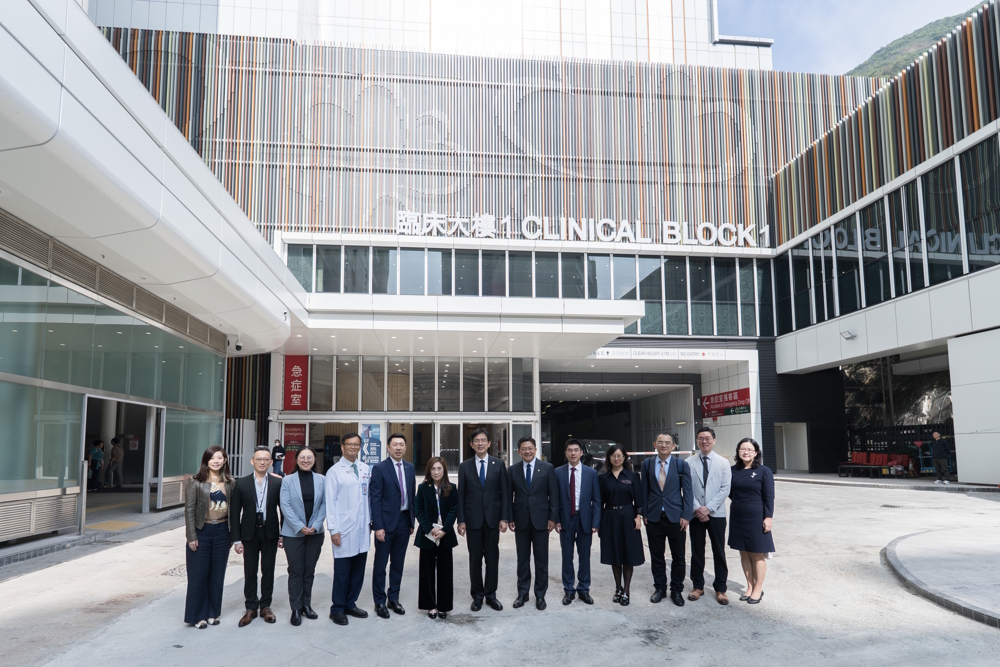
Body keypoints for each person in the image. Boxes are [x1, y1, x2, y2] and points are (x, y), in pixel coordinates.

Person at [456, 427, 510, 611]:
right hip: (472, 521)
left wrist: (504, 518)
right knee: (475, 559)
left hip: (493, 520)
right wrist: (461, 521)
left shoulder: (498, 464)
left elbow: (505, 494)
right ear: (471, 444)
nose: (480, 443)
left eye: (483, 440)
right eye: (476, 441)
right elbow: (461, 496)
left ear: (489, 443)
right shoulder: (465, 466)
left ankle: (491, 595)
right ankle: (477, 596)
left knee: (492, 558)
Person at [230, 446, 283, 627]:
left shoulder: (277, 483)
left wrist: (283, 534)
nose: (262, 462)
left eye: (266, 459)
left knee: (268, 570)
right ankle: (251, 606)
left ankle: (266, 606)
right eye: (259, 459)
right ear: (252, 461)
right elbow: (234, 512)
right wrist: (236, 539)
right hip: (249, 533)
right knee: (250, 570)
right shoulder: (241, 483)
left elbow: (283, 510)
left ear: (270, 462)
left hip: (270, 533)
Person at [183, 446, 235, 628]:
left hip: (222, 531)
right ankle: (198, 616)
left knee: (217, 575)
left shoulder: (230, 482)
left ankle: (213, 612)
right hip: (201, 530)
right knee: (198, 575)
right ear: (206, 461)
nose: (216, 461)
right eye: (212, 458)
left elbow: (234, 511)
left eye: (219, 458)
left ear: (225, 460)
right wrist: (191, 536)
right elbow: (189, 510)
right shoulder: (196, 482)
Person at [639, 432, 693, 607]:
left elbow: (688, 492)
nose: (664, 445)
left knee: (678, 556)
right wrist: (644, 513)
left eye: (667, 442)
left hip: (676, 518)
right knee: (656, 556)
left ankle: (676, 590)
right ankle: (660, 589)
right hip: (654, 518)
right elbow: (644, 491)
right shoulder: (647, 464)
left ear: (673, 446)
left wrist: (686, 515)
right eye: (660, 442)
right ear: (654, 444)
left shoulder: (680, 465)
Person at [325, 432, 372, 626]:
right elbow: (330, 502)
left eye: (356, 444)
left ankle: (350, 603)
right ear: (342, 447)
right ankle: (337, 608)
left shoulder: (364, 468)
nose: (353, 447)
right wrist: (333, 529)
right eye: (349, 444)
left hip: (362, 528)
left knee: (358, 570)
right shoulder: (334, 472)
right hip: (343, 529)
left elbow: (368, 498)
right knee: (342, 571)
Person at [508, 436, 558, 610]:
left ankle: (540, 595)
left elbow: (554, 496)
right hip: (520, 521)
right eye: (523, 449)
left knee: (541, 560)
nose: (527, 451)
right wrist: (510, 517)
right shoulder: (513, 470)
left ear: (536, 450)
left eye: (530, 448)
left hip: (541, 521)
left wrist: (552, 518)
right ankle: (522, 593)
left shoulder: (547, 468)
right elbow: (508, 496)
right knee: (523, 559)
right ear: (519, 451)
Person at [370, 433, 417, 618]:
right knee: (380, 565)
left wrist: (412, 521)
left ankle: (394, 598)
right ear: (388, 447)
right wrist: (378, 526)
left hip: (404, 522)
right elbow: (375, 498)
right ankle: (379, 601)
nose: (398, 448)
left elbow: (411, 496)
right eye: (395, 444)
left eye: (401, 444)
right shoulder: (380, 468)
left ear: (405, 447)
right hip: (385, 525)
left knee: (398, 564)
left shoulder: (410, 468)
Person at [279, 447, 327, 626]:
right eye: (302, 457)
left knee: (309, 570)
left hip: (315, 533)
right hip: (293, 533)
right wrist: (300, 527)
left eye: (309, 457)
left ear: (314, 459)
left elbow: (325, 503)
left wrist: (315, 525)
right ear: (297, 459)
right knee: (296, 571)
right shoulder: (288, 481)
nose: (306, 460)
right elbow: (285, 506)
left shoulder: (322, 480)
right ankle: (296, 609)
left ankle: (307, 605)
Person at [688, 426, 733, 605]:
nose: (704, 441)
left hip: (717, 514)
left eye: (707, 438)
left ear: (714, 441)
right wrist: (699, 509)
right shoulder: (688, 462)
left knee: (718, 551)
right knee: (696, 551)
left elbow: (725, 489)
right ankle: (697, 586)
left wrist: (708, 509)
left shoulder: (723, 463)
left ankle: (721, 588)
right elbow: (686, 489)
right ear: (697, 441)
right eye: (700, 438)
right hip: (696, 514)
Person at [555, 438, 601, 606]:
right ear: (566, 453)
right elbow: (555, 499)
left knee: (584, 556)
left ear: (582, 453)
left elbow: (597, 500)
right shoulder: (558, 472)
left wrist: (596, 521)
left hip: (585, 520)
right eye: (570, 450)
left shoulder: (591, 473)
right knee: (567, 556)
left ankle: (583, 589)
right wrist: (557, 519)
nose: (573, 453)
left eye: (576, 450)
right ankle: (568, 590)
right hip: (566, 519)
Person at [728, 438, 774, 604]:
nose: (745, 452)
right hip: (738, 515)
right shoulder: (733, 470)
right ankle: (749, 586)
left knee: (756, 553)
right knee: (743, 552)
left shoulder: (764, 471)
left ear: (755, 453)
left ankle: (758, 588)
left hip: (757, 516)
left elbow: (769, 496)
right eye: (742, 449)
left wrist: (768, 517)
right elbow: (731, 492)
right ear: (738, 452)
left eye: (749, 449)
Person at [598, 444, 644, 606]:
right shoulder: (603, 478)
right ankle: (618, 588)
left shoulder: (632, 476)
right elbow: (599, 502)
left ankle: (626, 590)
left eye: (619, 455)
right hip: (609, 517)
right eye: (613, 456)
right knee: (614, 554)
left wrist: (638, 516)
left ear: (624, 458)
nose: (616, 458)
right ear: (608, 458)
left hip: (628, 516)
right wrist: (598, 523)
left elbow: (639, 499)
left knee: (628, 554)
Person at [414, 457, 458, 619]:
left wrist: (445, 529)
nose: (436, 472)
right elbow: (418, 510)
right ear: (429, 471)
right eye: (433, 469)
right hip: (428, 535)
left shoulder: (451, 488)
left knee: (445, 572)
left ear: (444, 470)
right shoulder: (423, 488)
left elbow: (454, 510)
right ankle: (430, 605)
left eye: (439, 468)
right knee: (427, 572)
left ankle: (444, 606)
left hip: (445, 536)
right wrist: (429, 529)